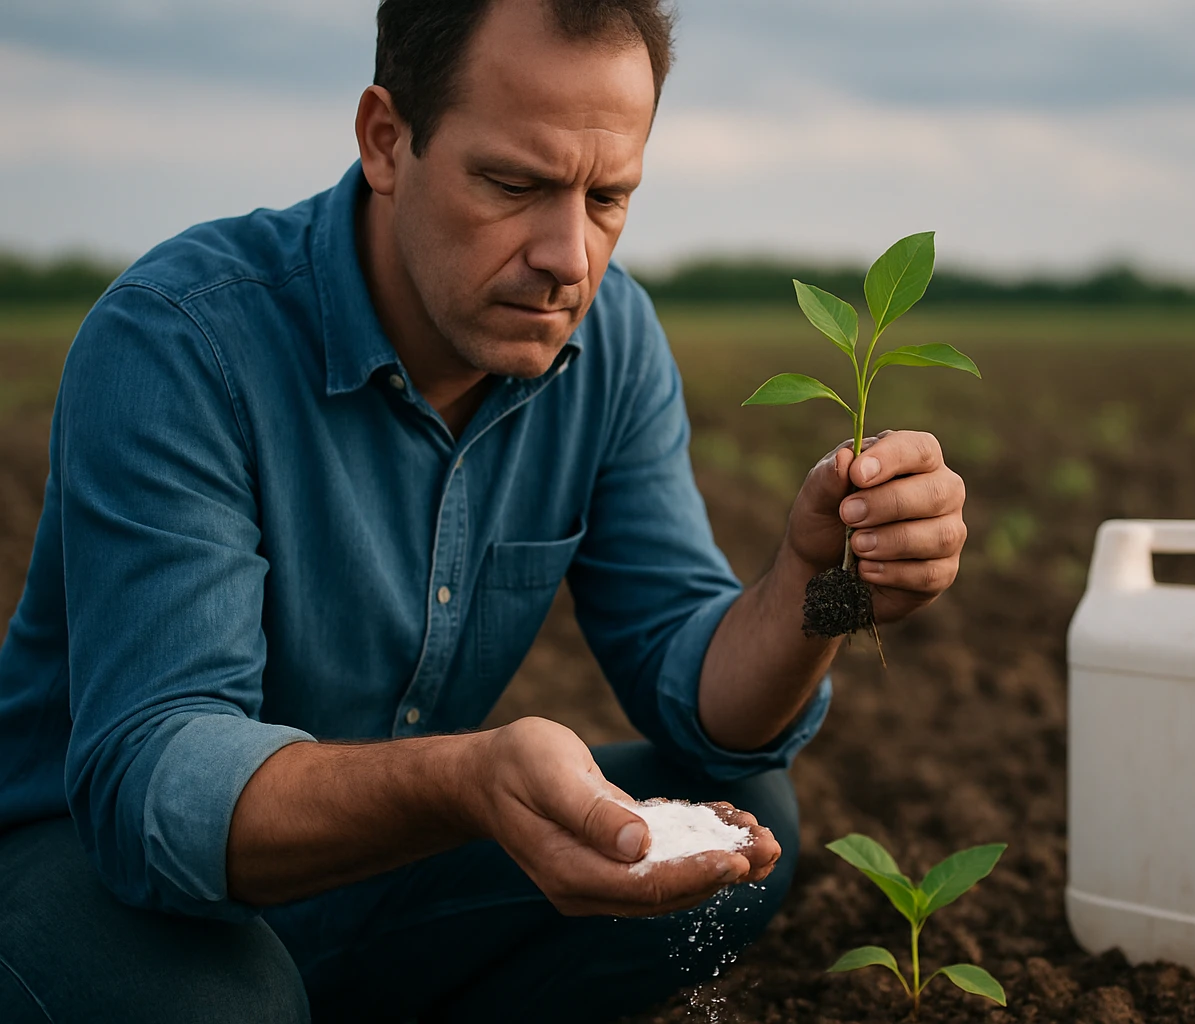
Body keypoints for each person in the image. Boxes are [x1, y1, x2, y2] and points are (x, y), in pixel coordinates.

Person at [0, 0, 969, 1020]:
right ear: (387, 139)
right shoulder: (184, 342)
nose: (569, 257)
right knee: (222, 1003)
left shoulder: (610, 341)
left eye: (608, 196)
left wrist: (822, 587)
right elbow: (157, 788)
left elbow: (699, 697)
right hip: (89, 873)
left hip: (372, 876)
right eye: (515, 185)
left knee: (733, 832)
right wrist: (465, 781)